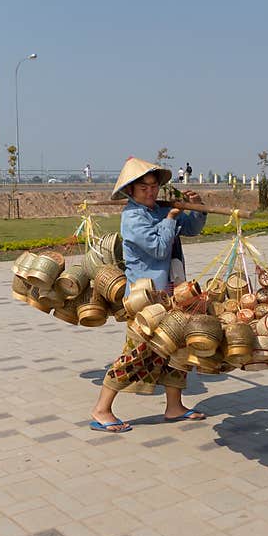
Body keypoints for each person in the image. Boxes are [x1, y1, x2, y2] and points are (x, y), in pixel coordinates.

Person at [90, 156, 208, 433]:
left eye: (154, 187)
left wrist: (197, 207)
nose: (150, 192)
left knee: (178, 349)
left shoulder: (158, 210)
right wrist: (170, 218)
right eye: (144, 188)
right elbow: (157, 248)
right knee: (138, 353)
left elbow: (191, 228)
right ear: (131, 190)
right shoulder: (132, 218)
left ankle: (174, 406)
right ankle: (102, 409)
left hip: (172, 293)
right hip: (145, 297)